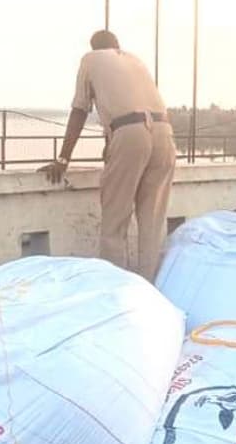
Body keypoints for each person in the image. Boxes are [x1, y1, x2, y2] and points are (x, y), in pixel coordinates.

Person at [43, 30, 176, 279]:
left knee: (115, 220)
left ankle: (115, 288)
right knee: (152, 221)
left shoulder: (90, 59)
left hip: (130, 134)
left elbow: (80, 110)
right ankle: (151, 287)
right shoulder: (135, 60)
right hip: (165, 134)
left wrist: (63, 159)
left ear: (94, 47)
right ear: (117, 45)